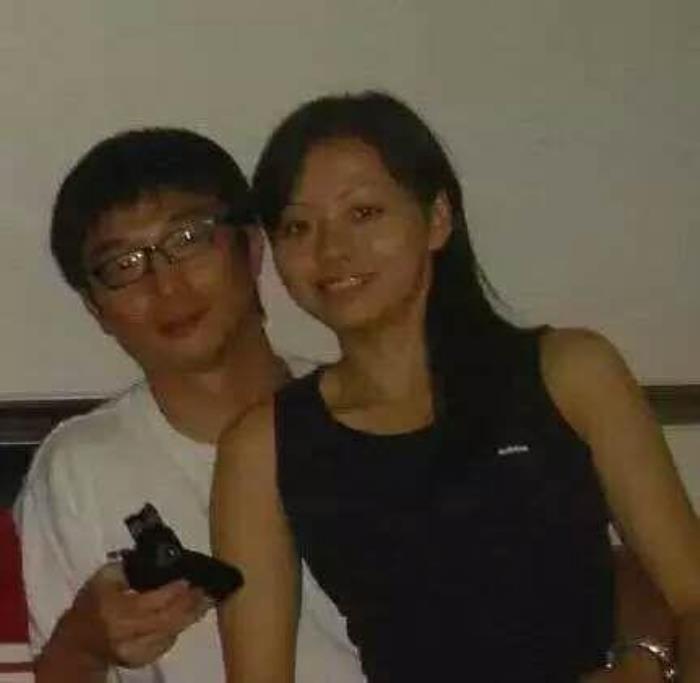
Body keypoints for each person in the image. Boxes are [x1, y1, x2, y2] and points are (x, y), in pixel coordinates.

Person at [211, 92, 700, 682]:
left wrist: (646, 669)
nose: (332, 249)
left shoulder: (569, 372)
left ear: (438, 217)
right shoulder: (263, 446)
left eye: (364, 213)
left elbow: (692, 598)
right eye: (297, 226)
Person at [14, 128, 365, 683]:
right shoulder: (79, 468)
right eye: (123, 264)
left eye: (187, 239)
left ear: (252, 248)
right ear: (96, 309)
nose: (165, 284)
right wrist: (83, 644)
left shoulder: (369, 414)